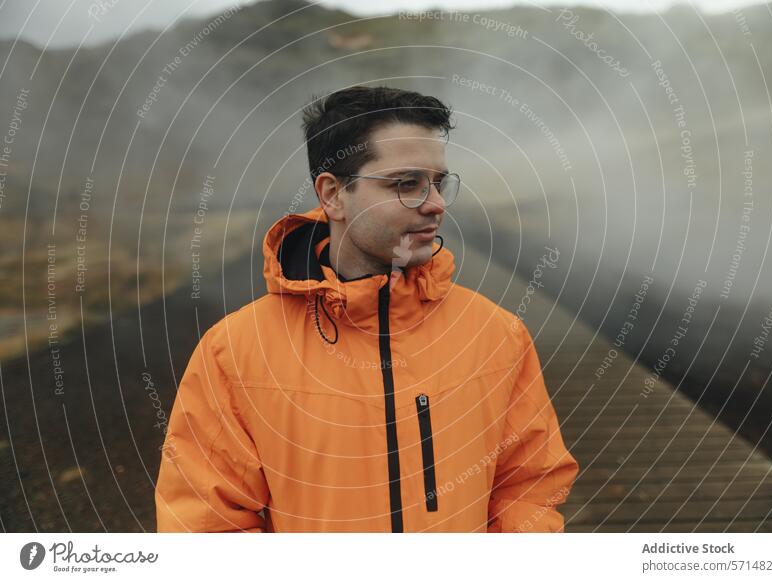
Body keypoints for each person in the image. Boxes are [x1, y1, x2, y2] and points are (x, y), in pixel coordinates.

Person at [154, 85, 578, 532]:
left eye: (438, 182)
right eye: (406, 184)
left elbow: (529, 485)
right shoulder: (235, 351)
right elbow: (204, 526)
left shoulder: (495, 333)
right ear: (333, 194)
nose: (434, 204)